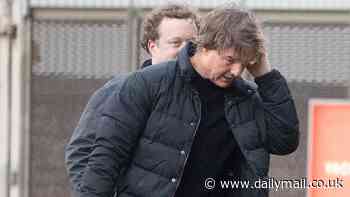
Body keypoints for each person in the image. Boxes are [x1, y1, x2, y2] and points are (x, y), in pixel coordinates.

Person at [78, 5, 299, 197]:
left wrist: (266, 75)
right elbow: (106, 158)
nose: (237, 71)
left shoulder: (246, 97)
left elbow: (284, 141)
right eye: (230, 60)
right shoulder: (148, 83)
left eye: (245, 63)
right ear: (205, 45)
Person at [64, 4, 198, 196]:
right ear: (153, 46)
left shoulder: (200, 96)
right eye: (175, 43)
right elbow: (80, 151)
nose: (185, 52)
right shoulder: (122, 88)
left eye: (191, 44)